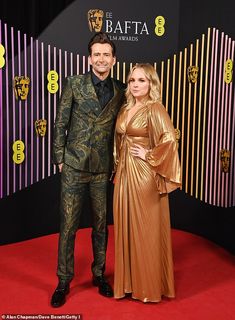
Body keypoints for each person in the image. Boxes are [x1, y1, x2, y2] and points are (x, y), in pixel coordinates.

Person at [51, 32, 125, 308]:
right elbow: (60, 123)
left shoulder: (120, 90)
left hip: (102, 168)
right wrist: (59, 156)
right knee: (68, 225)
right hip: (73, 164)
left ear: (114, 59)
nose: (102, 58)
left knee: (100, 226)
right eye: (97, 54)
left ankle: (99, 274)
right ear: (89, 58)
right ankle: (63, 280)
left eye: (107, 54)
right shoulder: (73, 83)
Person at [113, 63, 181, 303]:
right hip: (123, 175)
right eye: (132, 81)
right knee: (125, 227)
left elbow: (170, 138)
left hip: (143, 175)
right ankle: (129, 284)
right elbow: (118, 141)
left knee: (145, 229)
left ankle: (148, 287)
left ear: (151, 84)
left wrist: (150, 155)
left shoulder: (155, 108)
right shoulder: (126, 108)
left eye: (141, 80)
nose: (135, 85)